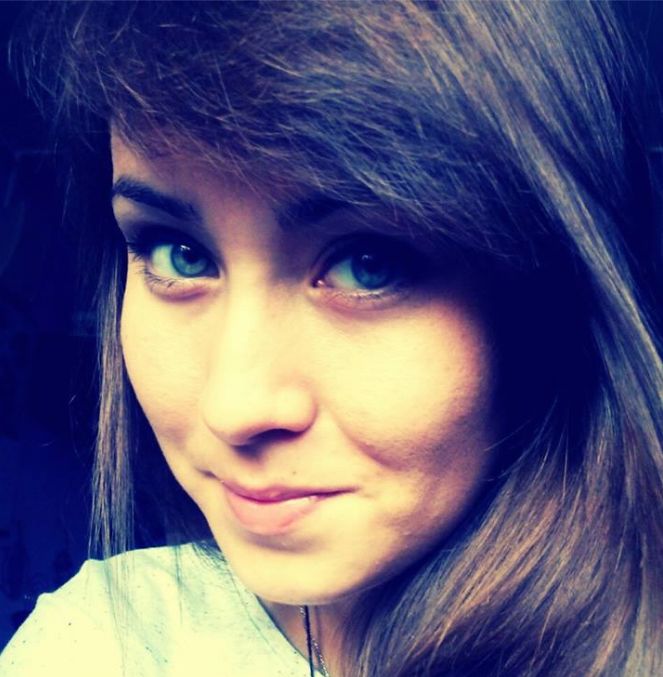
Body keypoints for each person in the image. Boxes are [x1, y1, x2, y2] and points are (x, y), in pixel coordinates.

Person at [1, 2, 662, 675]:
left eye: (365, 264)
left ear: (554, 293)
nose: (232, 407)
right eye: (180, 254)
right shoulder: (101, 643)